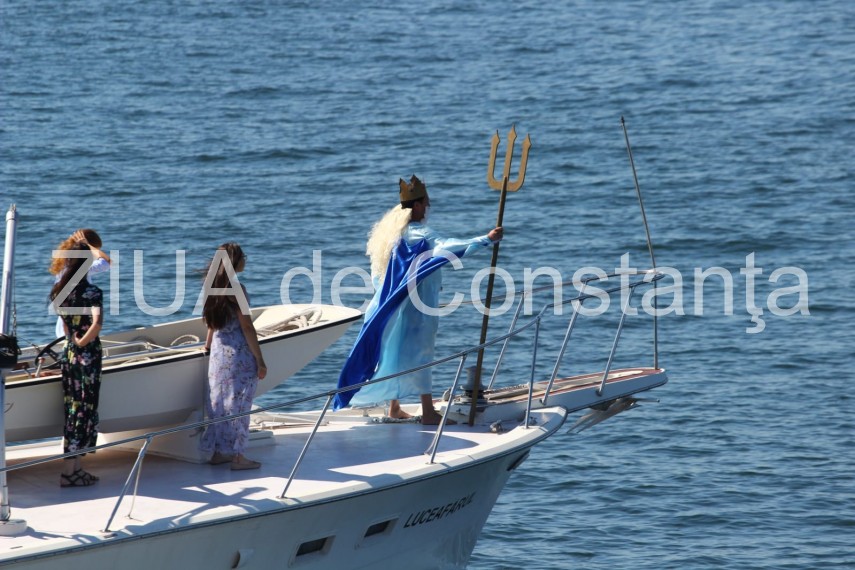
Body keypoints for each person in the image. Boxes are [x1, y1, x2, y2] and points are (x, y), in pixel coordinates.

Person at [334, 175, 503, 424]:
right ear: (418, 205)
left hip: (389, 304)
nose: (429, 208)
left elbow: (377, 275)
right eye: (427, 203)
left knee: (394, 350)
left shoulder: (390, 235)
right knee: (422, 352)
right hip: (416, 307)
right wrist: (486, 239)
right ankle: (428, 412)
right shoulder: (422, 235)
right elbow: (450, 246)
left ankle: (394, 407)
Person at [199, 242, 268, 470]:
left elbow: (211, 323)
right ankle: (239, 456)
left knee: (219, 404)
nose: (246, 260)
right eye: (243, 256)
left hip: (218, 355)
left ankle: (218, 452)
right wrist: (260, 359)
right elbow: (247, 326)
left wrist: (207, 347)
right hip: (238, 354)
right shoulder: (237, 289)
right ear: (234, 262)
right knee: (239, 405)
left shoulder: (212, 288)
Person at [49, 242, 104, 487]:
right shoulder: (91, 292)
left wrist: (73, 338)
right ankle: (69, 472)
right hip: (87, 354)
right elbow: (98, 323)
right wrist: (83, 340)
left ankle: (76, 467)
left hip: (69, 354)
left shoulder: (61, 292)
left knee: (73, 408)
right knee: (84, 409)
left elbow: (66, 322)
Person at [50, 229, 111, 339]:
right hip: (79, 327)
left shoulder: (63, 265)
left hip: (65, 325)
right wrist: (88, 246)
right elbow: (107, 262)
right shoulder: (81, 269)